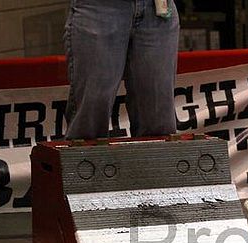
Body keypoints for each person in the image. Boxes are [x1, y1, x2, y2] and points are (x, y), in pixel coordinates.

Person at [64, 0, 180, 140]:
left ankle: (156, 162)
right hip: (100, 7)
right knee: (91, 115)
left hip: (158, 8)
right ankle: (84, 161)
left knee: (159, 120)